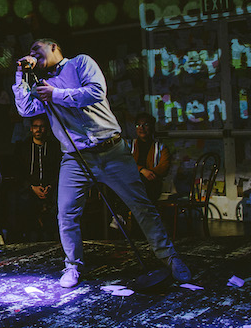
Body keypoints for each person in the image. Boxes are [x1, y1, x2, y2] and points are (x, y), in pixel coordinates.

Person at [12, 38, 191, 288]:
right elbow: (26, 109)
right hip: (75, 157)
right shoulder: (42, 84)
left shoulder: (81, 63)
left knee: (141, 206)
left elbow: (96, 92)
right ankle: (72, 266)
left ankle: (169, 258)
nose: (31, 53)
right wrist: (20, 74)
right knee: (66, 213)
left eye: (35, 49)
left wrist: (57, 94)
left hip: (111, 150)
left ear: (53, 47)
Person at [10, 114, 61, 242]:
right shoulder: (23, 147)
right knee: (21, 201)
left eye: (42, 127)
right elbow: (18, 173)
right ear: (31, 129)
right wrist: (32, 187)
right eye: (36, 127)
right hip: (29, 189)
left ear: (47, 128)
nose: (38, 129)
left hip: (51, 189)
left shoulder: (54, 147)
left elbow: (58, 170)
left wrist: (50, 186)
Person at [130, 112, 170, 203]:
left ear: (152, 127)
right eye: (138, 125)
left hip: (152, 183)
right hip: (132, 182)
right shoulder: (129, 145)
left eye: (146, 125)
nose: (141, 128)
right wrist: (142, 170)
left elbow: (164, 167)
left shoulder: (160, 147)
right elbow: (124, 163)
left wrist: (149, 173)